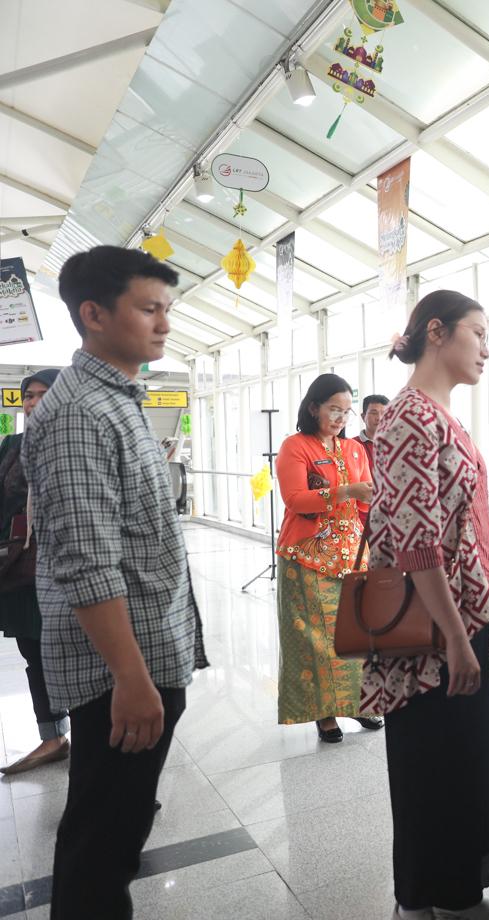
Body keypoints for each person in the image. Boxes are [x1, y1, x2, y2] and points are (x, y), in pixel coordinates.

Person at [25, 246, 207, 918]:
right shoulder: (80, 412)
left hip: (142, 652)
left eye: (167, 309)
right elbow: (87, 561)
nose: (164, 324)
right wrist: (131, 679)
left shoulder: (117, 398)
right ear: (94, 314)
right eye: (149, 308)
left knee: (114, 830)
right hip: (120, 670)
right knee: (103, 842)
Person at [365, 292, 489, 920]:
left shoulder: (437, 412)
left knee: (459, 757)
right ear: (436, 332)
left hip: (459, 615)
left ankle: (454, 894)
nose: (486, 349)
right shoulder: (410, 417)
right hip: (433, 626)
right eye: (477, 333)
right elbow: (417, 542)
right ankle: (425, 899)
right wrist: (455, 637)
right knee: (433, 758)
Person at [274, 373, 381, 742]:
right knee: (316, 641)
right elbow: (294, 499)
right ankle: (325, 714)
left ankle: (362, 704)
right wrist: (346, 491)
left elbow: (364, 502)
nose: (340, 418)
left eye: (346, 412)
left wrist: (372, 497)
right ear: (313, 407)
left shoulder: (354, 449)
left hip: (353, 556)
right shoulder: (295, 446)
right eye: (334, 409)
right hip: (308, 557)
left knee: (359, 636)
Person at [0, 369, 69, 774]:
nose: (33, 402)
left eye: (44, 394)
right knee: (33, 652)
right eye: (29, 395)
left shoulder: (78, 443)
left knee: (76, 654)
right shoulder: (12, 445)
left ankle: (103, 743)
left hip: (65, 569)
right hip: (18, 567)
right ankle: (52, 737)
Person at [355, 393, 389, 472]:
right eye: (374, 413)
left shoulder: (396, 444)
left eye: (384, 413)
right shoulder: (352, 445)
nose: (379, 418)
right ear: (363, 417)